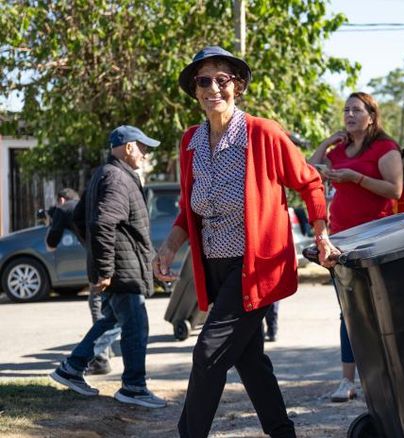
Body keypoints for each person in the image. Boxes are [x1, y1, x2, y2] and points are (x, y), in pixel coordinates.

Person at [152, 46, 337, 438]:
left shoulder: (262, 133)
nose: (213, 88)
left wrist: (320, 232)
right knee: (250, 359)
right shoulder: (190, 142)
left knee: (209, 353)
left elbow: (309, 181)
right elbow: (190, 208)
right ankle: (282, 431)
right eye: (204, 81)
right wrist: (169, 246)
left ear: (236, 86)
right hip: (214, 267)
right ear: (196, 91)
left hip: (254, 266)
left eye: (222, 80)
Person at [49, 125, 166, 409]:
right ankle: (134, 388)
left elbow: (78, 217)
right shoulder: (117, 178)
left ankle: (72, 368)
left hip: (124, 265)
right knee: (136, 326)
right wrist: (104, 269)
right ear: (128, 148)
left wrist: (100, 258)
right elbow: (101, 224)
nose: (146, 155)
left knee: (111, 321)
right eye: (143, 148)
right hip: (123, 270)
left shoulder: (107, 173)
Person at [309, 91, 403, 403]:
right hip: (341, 242)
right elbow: (309, 172)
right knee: (347, 312)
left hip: (376, 239)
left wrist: (356, 178)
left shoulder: (385, 148)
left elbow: (395, 189)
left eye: (356, 110)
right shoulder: (339, 150)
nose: (349, 115)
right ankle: (347, 381)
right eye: (346, 110)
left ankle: (387, 376)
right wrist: (326, 143)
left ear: (371, 116)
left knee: (380, 310)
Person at [45, 188, 121, 376]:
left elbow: (51, 244)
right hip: (110, 255)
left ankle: (100, 358)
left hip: (98, 259)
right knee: (110, 306)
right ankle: (103, 355)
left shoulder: (63, 209)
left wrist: (51, 220)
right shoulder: (84, 205)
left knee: (100, 306)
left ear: (61, 200)